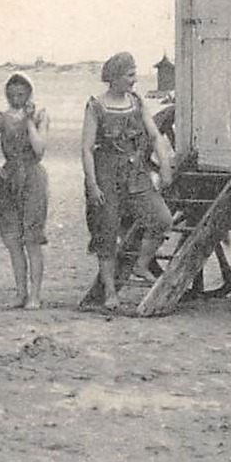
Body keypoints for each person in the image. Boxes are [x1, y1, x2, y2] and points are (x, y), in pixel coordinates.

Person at [82, 52, 173, 310]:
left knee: (162, 219)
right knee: (107, 234)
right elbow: (87, 148)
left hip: (136, 173)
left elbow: (155, 136)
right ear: (114, 77)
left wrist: (165, 165)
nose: (134, 80)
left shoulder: (136, 102)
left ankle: (142, 264)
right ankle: (110, 292)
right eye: (130, 75)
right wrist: (92, 184)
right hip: (106, 175)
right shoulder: (95, 106)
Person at [0, 73, 50, 309]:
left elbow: (39, 151)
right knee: (12, 240)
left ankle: (35, 296)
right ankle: (20, 293)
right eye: (12, 95)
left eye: (21, 94)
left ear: (29, 93)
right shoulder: (1, 118)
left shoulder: (41, 116)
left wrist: (29, 121)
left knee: (32, 239)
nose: (16, 99)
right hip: (8, 178)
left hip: (33, 178)